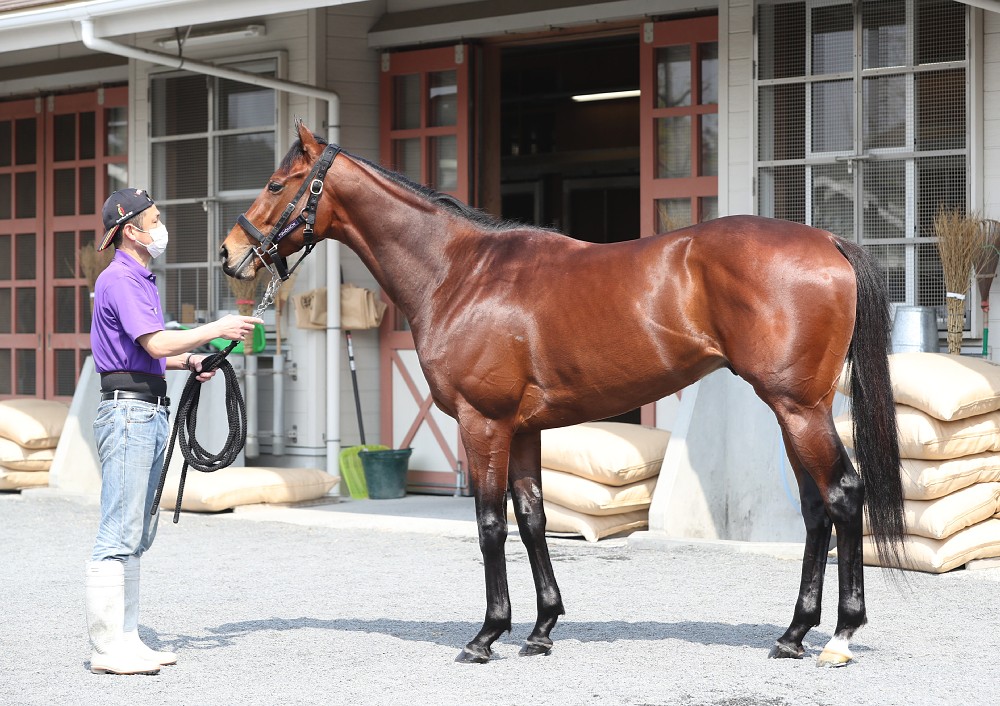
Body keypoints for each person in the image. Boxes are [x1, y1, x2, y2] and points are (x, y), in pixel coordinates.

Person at [86, 188, 262, 675]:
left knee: (137, 532)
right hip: (129, 414)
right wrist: (216, 328)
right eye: (155, 220)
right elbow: (156, 339)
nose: (161, 228)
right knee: (117, 533)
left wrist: (190, 360)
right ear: (131, 231)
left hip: (145, 408)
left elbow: (152, 351)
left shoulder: (140, 278)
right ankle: (106, 649)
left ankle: (126, 638)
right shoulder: (120, 279)